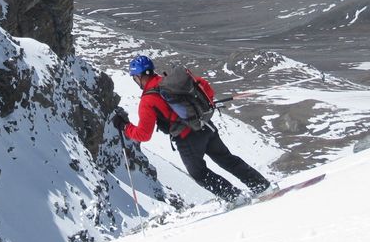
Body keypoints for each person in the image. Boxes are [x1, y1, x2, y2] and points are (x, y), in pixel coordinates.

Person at [112, 55, 273, 202]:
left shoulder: (147, 101)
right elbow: (206, 88)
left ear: (139, 77)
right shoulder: (175, 81)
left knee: (199, 173)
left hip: (187, 138)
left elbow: (143, 134)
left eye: (134, 78)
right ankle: (262, 186)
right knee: (227, 159)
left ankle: (235, 197)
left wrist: (125, 126)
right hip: (206, 126)